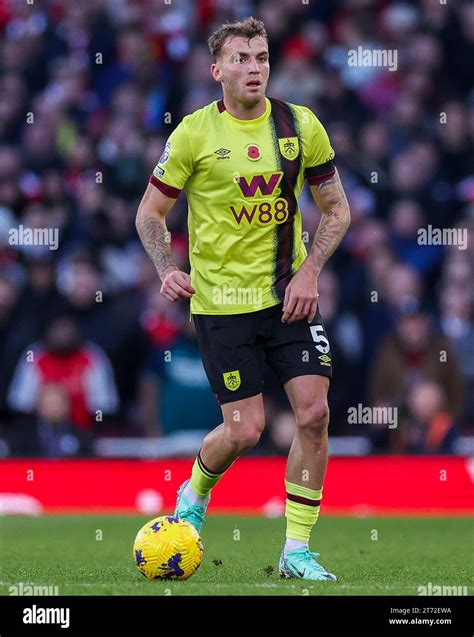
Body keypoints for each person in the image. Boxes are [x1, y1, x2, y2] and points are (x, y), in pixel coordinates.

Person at [135, 17, 351, 581]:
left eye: (260, 57)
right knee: (245, 430)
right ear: (217, 71)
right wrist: (166, 267)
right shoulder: (192, 134)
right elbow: (149, 215)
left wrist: (310, 274)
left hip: (290, 296)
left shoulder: (299, 125)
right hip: (221, 304)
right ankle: (195, 491)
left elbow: (337, 209)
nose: (253, 68)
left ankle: (296, 551)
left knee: (314, 414)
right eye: (241, 59)